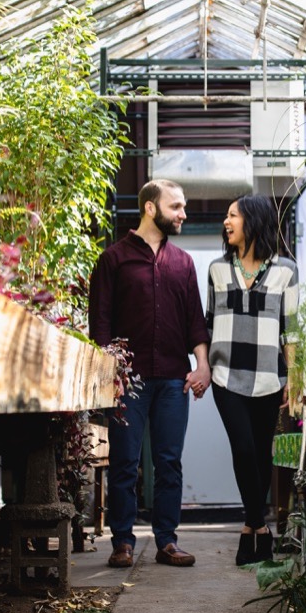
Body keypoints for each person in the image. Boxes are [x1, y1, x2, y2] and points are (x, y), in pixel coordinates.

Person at [89, 178, 211, 569]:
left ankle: (166, 541)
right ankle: (122, 542)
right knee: (125, 462)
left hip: (174, 379)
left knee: (169, 462)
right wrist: (110, 374)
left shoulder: (183, 263)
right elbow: (101, 325)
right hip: (130, 381)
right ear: (150, 208)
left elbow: (195, 320)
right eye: (176, 206)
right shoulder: (113, 260)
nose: (183, 214)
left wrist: (202, 365)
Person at [205, 194, 300, 566]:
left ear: (253, 220)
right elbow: (210, 321)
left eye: (232, 216)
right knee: (243, 450)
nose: (226, 222)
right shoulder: (216, 268)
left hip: (269, 378)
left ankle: (250, 529)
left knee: (262, 455)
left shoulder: (286, 271)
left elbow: (291, 330)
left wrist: (295, 377)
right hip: (226, 375)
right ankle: (261, 527)